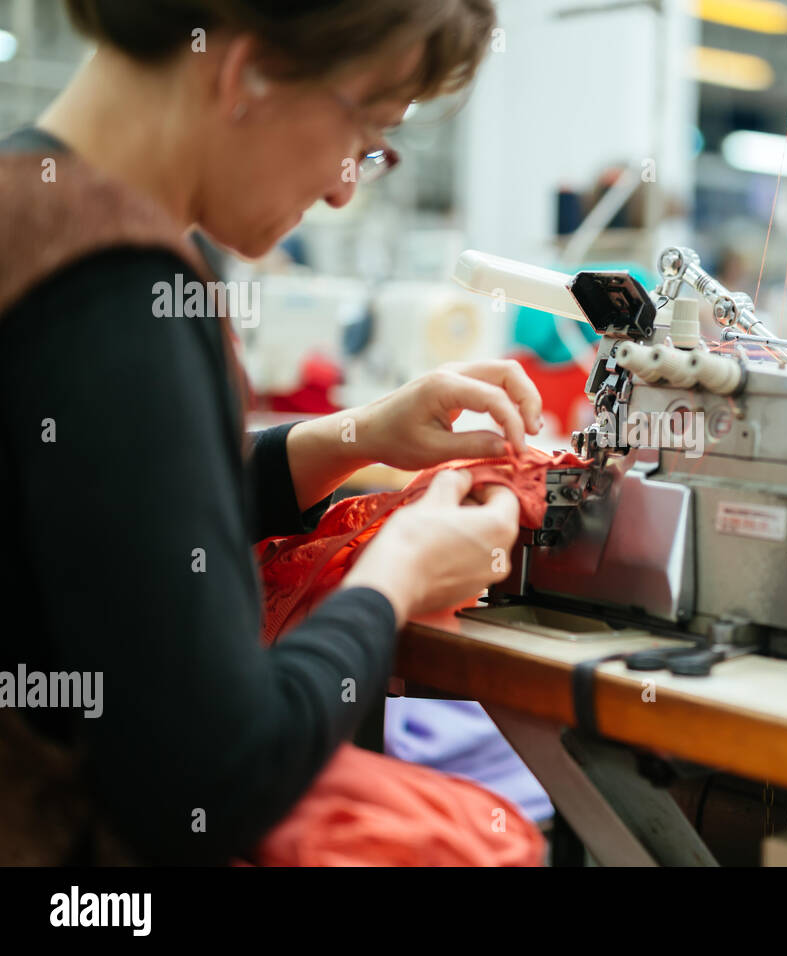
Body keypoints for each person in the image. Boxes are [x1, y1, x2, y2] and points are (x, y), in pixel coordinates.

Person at [0, 0, 537, 864]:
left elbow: (111, 519)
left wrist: (355, 435)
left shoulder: (27, 208)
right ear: (245, 69)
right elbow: (218, 774)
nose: (341, 185)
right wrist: (394, 580)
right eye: (366, 127)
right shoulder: (115, 292)